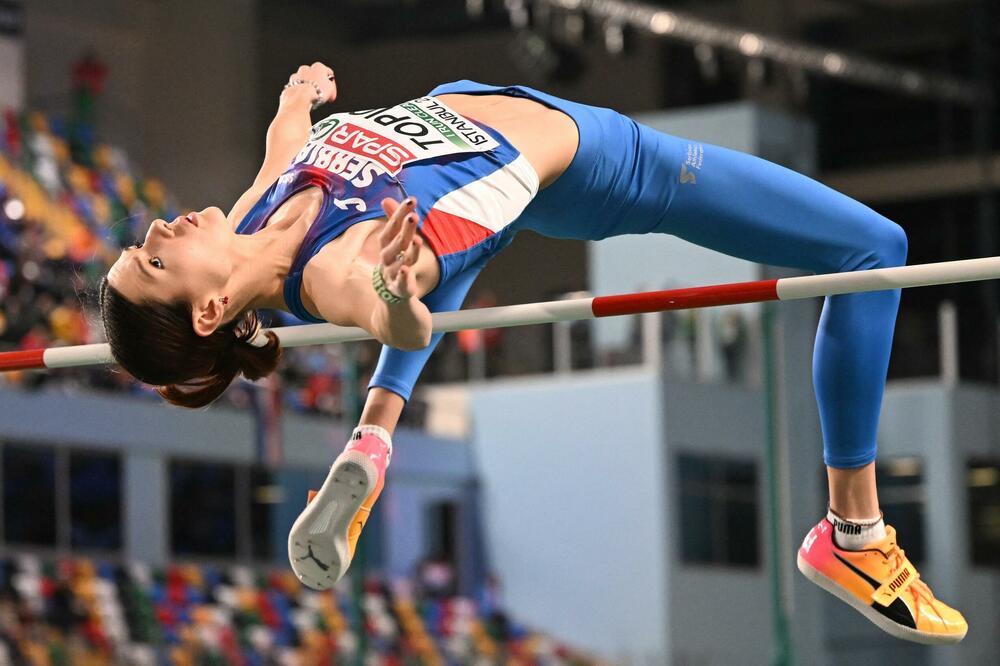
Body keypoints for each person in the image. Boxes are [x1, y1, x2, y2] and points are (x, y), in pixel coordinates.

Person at [100, 62, 965, 644]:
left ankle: (374, 435)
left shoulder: (252, 216)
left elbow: (285, 149)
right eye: (152, 260)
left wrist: (299, 97)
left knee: (472, 237)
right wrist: (398, 303)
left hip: (478, 133)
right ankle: (854, 529)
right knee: (872, 249)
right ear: (211, 308)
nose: (157, 228)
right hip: (611, 164)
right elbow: (389, 311)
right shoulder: (337, 268)